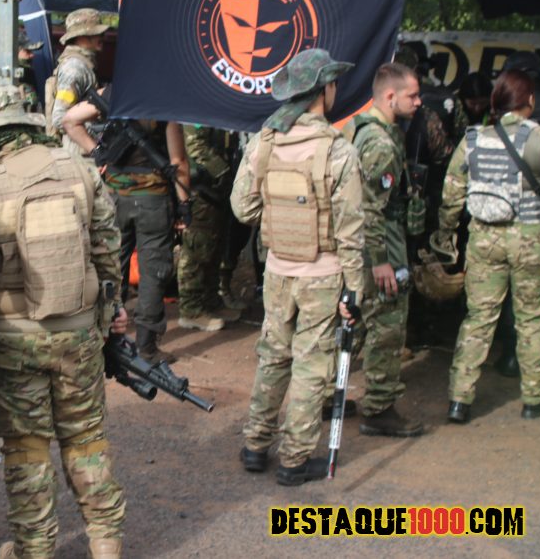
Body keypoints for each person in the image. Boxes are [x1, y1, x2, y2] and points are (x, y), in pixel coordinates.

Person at [0, 80, 127, 559]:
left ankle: (35, 548)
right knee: (86, 437)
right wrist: (108, 314)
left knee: (26, 446)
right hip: (78, 332)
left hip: (9, 339)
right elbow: (107, 251)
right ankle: (106, 541)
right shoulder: (78, 169)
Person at [231, 48, 365, 486]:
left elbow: (242, 207)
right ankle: (293, 459)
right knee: (311, 365)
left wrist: (278, 217)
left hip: (278, 270)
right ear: (324, 90)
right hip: (323, 275)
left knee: (273, 355)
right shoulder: (338, 150)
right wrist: (355, 289)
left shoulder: (266, 141)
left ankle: (255, 445)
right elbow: (351, 230)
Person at [438, 69, 540, 424]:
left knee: (478, 318)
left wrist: (445, 234)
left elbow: (451, 194)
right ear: (529, 100)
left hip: (484, 242)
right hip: (530, 242)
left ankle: (459, 400)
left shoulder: (472, 140)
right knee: (532, 317)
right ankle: (534, 398)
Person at [63, 96, 190, 363]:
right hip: (153, 201)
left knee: (112, 266)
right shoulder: (165, 102)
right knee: (153, 272)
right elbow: (178, 162)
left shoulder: (114, 94)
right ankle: (147, 348)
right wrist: (184, 204)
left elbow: (70, 121)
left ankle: (108, 338)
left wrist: (97, 151)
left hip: (114, 198)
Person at [343, 63, 424, 437]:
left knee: (356, 321)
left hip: (357, 246)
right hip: (378, 248)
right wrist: (381, 263)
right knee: (387, 327)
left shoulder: (358, 129)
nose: (418, 102)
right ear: (390, 97)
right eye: (412, 95)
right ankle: (379, 408)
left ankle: (329, 394)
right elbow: (371, 208)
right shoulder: (380, 144)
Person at [177, 125, 244, 332]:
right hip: (200, 187)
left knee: (215, 245)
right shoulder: (195, 112)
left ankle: (210, 302)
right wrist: (224, 170)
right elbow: (195, 145)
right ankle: (191, 310)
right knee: (196, 247)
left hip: (215, 187)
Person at [44, 8, 106, 152]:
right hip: (80, 151)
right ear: (82, 36)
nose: (103, 36)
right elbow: (60, 118)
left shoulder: (84, 64)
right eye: (97, 33)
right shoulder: (74, 68)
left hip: (85, 147)